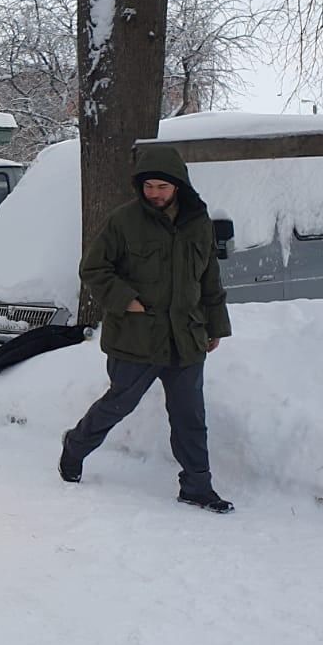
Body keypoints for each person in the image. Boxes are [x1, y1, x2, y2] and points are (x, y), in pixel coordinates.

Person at [58, 144, 235, 513]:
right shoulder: (123, 221)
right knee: (117, 404)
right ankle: (75, 446)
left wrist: (215, 325)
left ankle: (197, 486)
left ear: (178, 187)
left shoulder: (197, 223)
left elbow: (209, 279)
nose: (154, 193)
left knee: (190, 417)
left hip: (185, 336)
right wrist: (126, 299)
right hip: (136, 336)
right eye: (149, 186)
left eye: (162, 187)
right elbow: (94, 269)